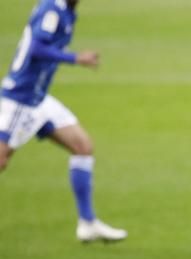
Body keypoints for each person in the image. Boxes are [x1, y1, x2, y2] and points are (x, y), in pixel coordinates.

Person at [1, 0, 126, 243]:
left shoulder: (67, 11)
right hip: (20, 98)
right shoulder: (52, 10)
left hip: (39, 100)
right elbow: (36, 48)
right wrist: (75, 58)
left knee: (82, 147)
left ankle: (88, 223)